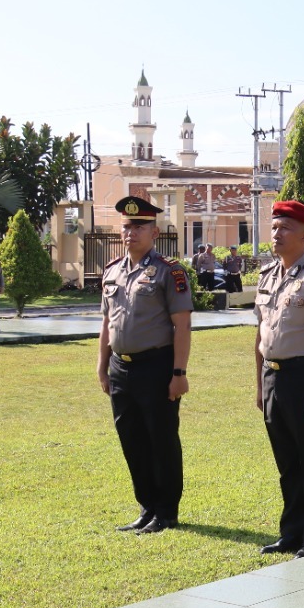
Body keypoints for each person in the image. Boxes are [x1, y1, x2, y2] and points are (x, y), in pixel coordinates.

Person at [98, 196, 193, 534]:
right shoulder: (112, 271)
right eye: (127, 226)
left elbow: (182, 325)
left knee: (161, 438)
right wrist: (102, 365)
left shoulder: (170, 271)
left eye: (139, 226)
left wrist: (179, 372)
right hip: (120, 367)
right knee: (132, 439)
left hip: (156, 366)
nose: (131, 232)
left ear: (154, 232)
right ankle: (146, 506)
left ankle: (166, 511)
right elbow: (107, 322)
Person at [254, 200, 304, 557]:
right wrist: (259, 386)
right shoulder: (267, 275)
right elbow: (259, 335)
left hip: (303, 377)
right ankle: (291, 532)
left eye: (285, 227)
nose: (277, 233)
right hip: (271, 376)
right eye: (274, 227)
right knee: (286, 462)